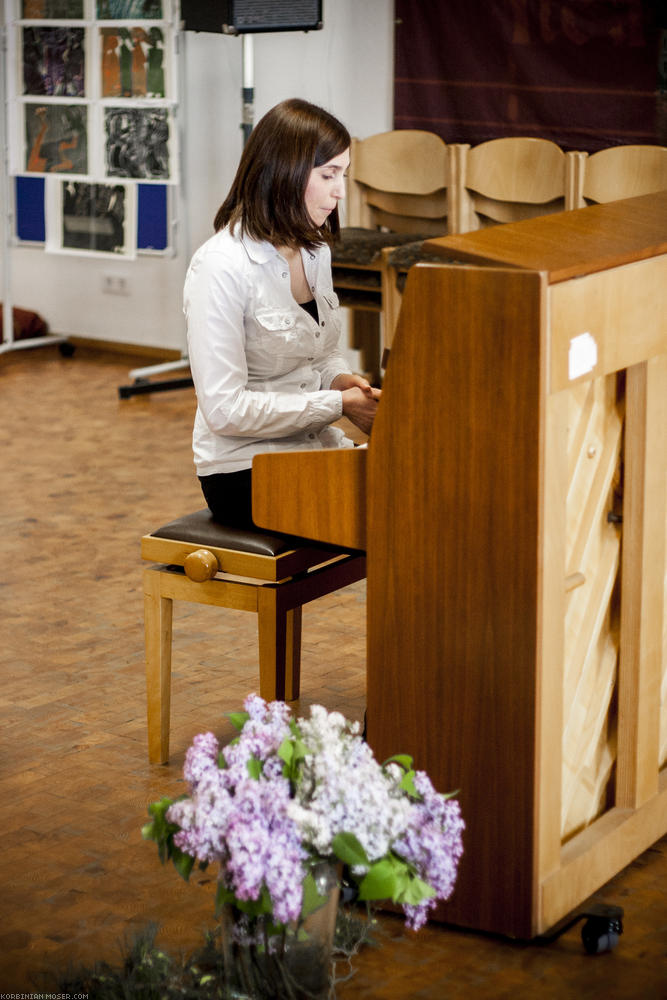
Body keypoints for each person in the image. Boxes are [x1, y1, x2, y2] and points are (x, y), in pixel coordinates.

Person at [184, 98, 380, 529]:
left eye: (343, 175)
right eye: (329, 175)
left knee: (425, 479)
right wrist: (336, 403)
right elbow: (225, 411)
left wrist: (342, 381)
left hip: (312, 447)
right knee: (406, 501)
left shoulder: (314, 252)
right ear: (285, 172)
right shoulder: (219, 266)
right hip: (244, 472)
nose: (340, 191)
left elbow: (320, 356)